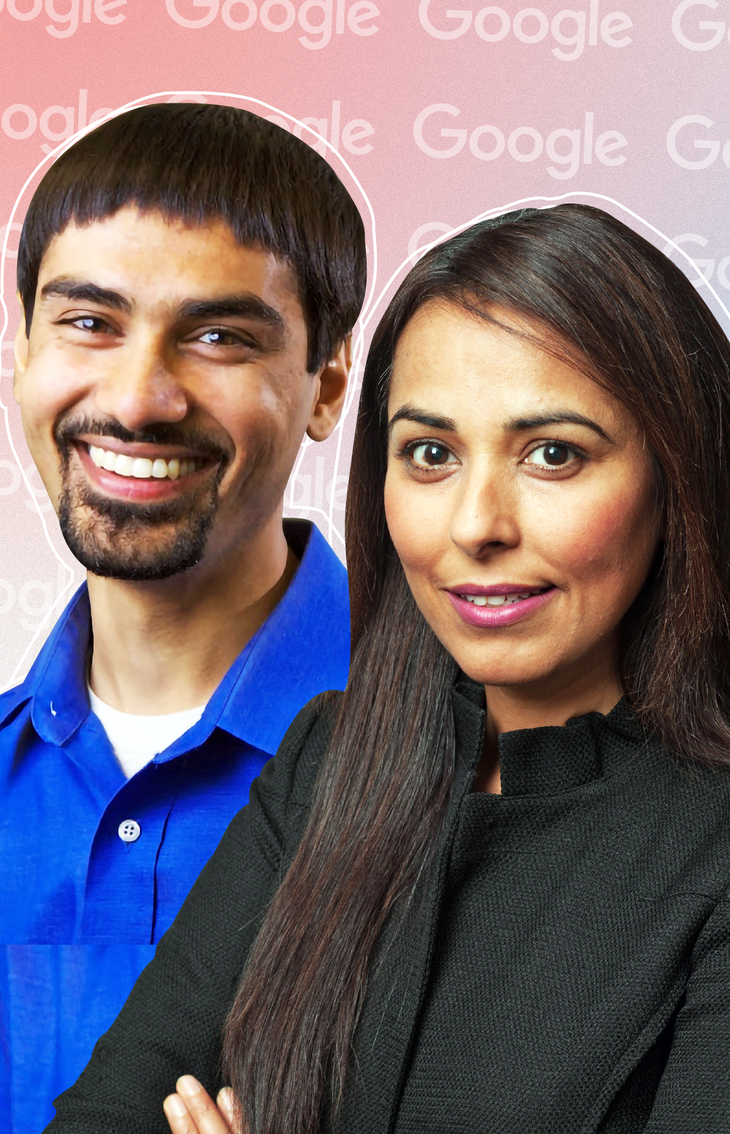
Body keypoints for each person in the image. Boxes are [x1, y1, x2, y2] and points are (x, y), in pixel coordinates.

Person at [48, 205, 730, 1134]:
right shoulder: (323, 766)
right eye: (429, 454)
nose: (475, 524)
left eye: (552, 455)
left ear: (680, 480)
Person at [0, 102, 364, 1132]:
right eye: (89, 322)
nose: (141, 396)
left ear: (326, 384)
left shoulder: (475, 763)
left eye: (216, 336)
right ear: (24, 349)